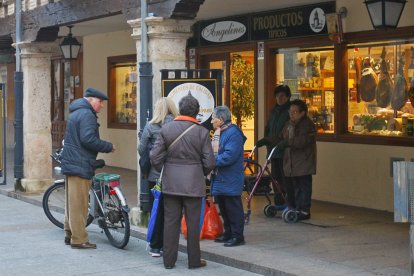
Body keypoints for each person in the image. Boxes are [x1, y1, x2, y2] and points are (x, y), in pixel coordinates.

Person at [150, 93, 215, 270]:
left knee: (170, 223)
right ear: (197, 112)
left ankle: (168, 261)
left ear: (180, 110)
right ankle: (194, 261)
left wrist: (165, 169)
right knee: (193, 225)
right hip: (193, 185)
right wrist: (198, 172)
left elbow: (154, 157)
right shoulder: (202, 132)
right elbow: (209, 162)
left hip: (171, 184)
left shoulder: (166, 129)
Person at [61, 87, 115, 249]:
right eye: (100, 102)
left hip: (72, 162)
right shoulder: (87, 115)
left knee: (72, 202)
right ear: (91, 100)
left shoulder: (76, 112)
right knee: (80, 204)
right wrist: (108, 146)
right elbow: (88, 139)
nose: (102, 106)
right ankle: (79, 239)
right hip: (80, 163)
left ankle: (69, 233)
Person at [138, 97, 179, 257]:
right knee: (171, 211)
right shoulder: (177, 125)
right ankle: (167, 245)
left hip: (155, 176)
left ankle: (156, 246)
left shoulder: (151, 126)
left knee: (157, 211)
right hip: (175, 174)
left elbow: (141, 150)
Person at [210, 106, 246, 247]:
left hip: (230, 177)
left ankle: (237, 236)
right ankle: (228, 233)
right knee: (224, 207)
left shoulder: (233, 133)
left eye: (213, 118)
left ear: (221, 120)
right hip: (221, 177)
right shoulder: (221, 132)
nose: (212, 121)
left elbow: (229, 156)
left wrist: (211, 162)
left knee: (233, 208)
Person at [278, 99, 317, 220]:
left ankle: (304, 210)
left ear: (302, 113)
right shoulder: (289, 124)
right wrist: (271, 140)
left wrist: (287, 143)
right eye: (290, 112)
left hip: (303, 161)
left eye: (295, 112)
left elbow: (302, 141)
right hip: (291, 162)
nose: (292, 114)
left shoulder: (307, 125)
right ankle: (295, 207)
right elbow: (281, 136)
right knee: (294, 186)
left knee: (303, 185)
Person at [256, 85, 292, 207]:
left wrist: (272, 141)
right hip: (273, 149)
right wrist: (267, 143)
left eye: (282, 96)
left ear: (288, 97)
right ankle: (279, 199)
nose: (279, 98)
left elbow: (285, 133)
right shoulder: (274, 111)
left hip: (284, 149)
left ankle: (288, 200)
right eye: (277, 96)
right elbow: (268, 129)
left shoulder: (290, 112)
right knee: (275, 176)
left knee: (285, 176)